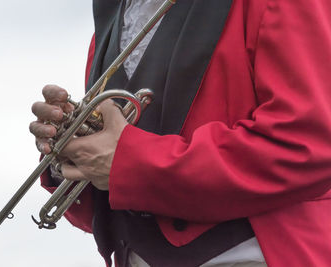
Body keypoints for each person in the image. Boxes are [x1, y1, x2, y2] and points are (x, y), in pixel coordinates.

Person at [29, 0, 331, 266]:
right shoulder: (115, 14)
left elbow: (308, 146)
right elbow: (119, 181)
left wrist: (129, 163)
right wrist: (73, 154)